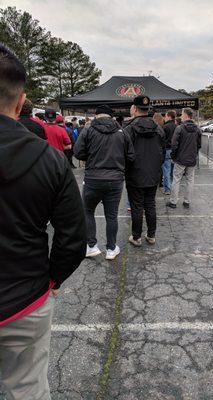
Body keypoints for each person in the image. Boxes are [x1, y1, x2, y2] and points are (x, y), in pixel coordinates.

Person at [0, 44, 86, 400]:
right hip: (25, 298)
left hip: (27, 293)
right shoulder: (50, 161)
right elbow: (73, 237)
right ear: (21, 103)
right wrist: (51, 279)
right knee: (29, 389)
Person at [74, 105, 135, 260]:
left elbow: (78, 152)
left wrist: (93, 157)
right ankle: (111, 248)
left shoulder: (88, 130)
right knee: (112, 215)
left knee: (88, 211)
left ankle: (91, 246)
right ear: (111, 116)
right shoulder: (122, 132)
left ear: (97, 115)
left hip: (93, 178)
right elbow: (131, 156)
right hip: (115, 179)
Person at [124, 95, 165, 246]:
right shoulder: (158, 129)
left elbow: (125, 154)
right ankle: (151, 235)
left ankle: (136, 237)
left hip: (135, 174)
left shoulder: (129, 129)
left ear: (134, 109)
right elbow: (162, 153)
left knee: (137, 206)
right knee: (150, 204)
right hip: (153, 174)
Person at [166, 108, 202, 209]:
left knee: (176, 180)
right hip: (191, 159)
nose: (181, 116)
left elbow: (174, 144)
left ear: (186, 115)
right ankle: (187, 201)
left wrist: (173, 156)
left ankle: (173, 202)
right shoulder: (197, 129)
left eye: (182, 114)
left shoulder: (180, 128)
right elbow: (199, 145)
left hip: (180, 159)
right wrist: (194, 154)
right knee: (190, 180)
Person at [162, 110, 177, 194]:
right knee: (174, 171)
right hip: (175, 150)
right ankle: (173, 187)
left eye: (165, 116)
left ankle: (167, 189)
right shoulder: (177, 126)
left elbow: (162, 139)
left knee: (166, 170)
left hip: (167, 150)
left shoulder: (165, 127)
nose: (164, 117)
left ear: (169, 116)